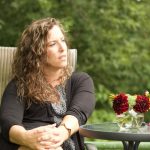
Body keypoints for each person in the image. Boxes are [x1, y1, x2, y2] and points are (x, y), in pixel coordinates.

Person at [0, 18, 96, 150]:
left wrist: (60, 134)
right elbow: (8, 122)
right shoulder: (20, 85)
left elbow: (78, 113)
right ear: (36, 52)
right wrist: (27, 138)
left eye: (62, 40)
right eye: (52, 44)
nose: (63, 48)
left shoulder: (80, 81)